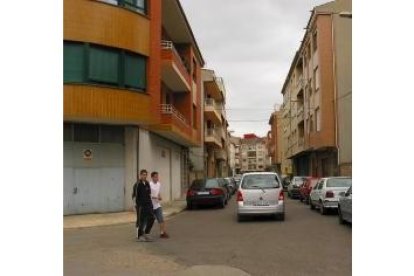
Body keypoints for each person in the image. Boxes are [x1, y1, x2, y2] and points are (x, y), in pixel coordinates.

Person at [132, 169, 155, 242]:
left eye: (145, 175)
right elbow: (134, 196)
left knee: (152, 218)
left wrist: (151, 204)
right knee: (141, 221)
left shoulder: (147, 183)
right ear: (140, 175)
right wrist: (135, 206)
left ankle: (146, 233)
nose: (144, 176)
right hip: (140, 206)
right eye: (143, 175)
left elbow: (149, 194)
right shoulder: (137, 184)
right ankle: (139, 236)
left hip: (148, 205)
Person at [149, 172, 170, 238]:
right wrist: (156, 197)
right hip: (150, 205)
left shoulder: (158, 184)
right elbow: (148, 195)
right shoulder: (149, 185)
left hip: (157, 205)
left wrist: (159, 196)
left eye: (157, 177)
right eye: (155, 177)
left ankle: (162, 233)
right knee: (149, 221)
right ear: (152, 177)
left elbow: (158, 192)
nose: (157, 178)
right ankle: (145, 233)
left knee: (161, 219)